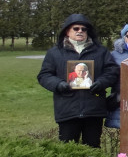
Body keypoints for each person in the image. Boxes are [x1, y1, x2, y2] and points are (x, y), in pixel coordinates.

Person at [37, 14, 118, 148]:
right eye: (76, 28)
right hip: (67, 109)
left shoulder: (101, 51)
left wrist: (101, 82)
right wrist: (58, 84)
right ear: (67, 31)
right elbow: (44, 75)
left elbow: (112, 71)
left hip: (93, 109)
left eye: (83, 29)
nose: (80, 31)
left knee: (93, 150)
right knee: (68, 150)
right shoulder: (55, 53)